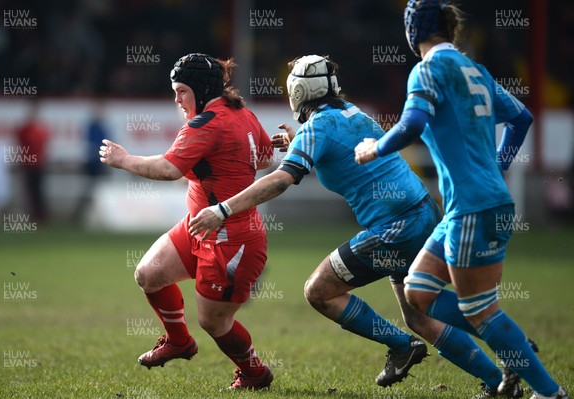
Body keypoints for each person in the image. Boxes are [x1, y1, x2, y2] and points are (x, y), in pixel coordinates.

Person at [189, 55, 523, 391]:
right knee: (420, 316)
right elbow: (342, 155)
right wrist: (300, 144)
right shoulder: (352, 114)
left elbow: (280, 180)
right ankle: (497, 380)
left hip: (397, 226)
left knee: (319, 291)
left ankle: (403, 346)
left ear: (298, 91)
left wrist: (223, 210)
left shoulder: (318, 126)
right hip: (423, 213)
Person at [354, 2, 568, 399]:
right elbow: (521, 118)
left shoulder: (427, 69)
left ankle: (549, 392)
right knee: (418, 293)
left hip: (475, 207)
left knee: (479, 310)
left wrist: (373, 149)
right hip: (467, 207)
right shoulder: (475, 70)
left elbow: (412, 124)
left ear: (411, 31)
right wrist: (497, 165)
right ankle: (515, 345)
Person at [99, 53, 275, 390]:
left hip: (232, 240)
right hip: (198, 225)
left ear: (200, 89)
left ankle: (255, 373)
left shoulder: (207, 122)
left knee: (215, 321)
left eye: (181, 91)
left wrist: (124, 160)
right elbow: (265, 156)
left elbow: (169, 169)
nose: (177, 100)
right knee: (149, 274)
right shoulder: (243, 113)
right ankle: (179, 341)